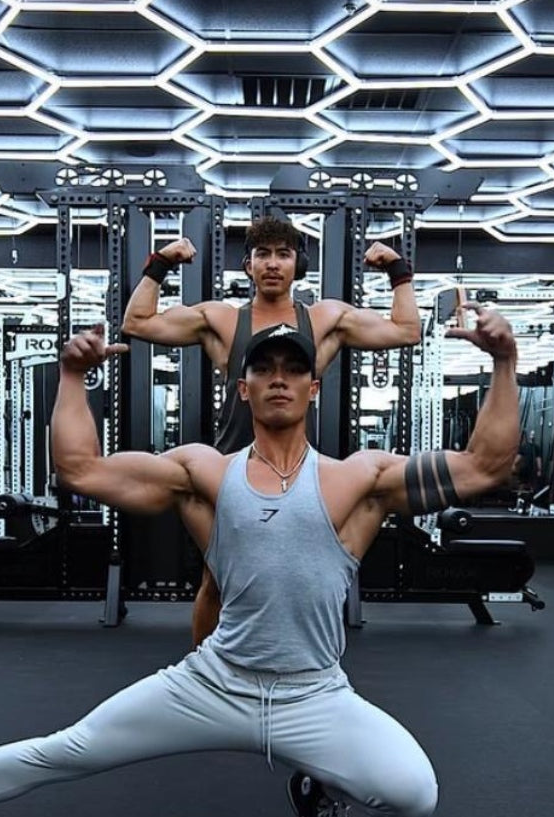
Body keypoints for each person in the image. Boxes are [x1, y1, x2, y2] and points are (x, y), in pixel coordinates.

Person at [0, 308, 518, 817]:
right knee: (65, 749)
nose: (276, 377)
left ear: (313, 386)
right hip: (214, 683)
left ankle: (316, 788)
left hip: (314, 697)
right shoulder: (202, 471)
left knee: (415, 798)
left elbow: (486, 465)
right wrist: (72, 378)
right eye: (260, 367)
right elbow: (79, 468)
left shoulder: (361, 479)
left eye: (291, 368)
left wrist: (505, 362)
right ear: (241, 386)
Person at [122, 215, 422, 644]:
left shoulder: (325, 319)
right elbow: (138, 323)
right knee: (217, 578)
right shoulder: (222, 320)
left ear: (297, 263)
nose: (273, 264)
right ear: (248, 265)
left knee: (306, 577)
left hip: (295, 473)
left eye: (283, 254)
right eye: (263, 254)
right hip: (232, 469)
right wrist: (161, 262)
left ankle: (299, 670)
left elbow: (407, 331)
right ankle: (205, 672)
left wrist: (397, 270)